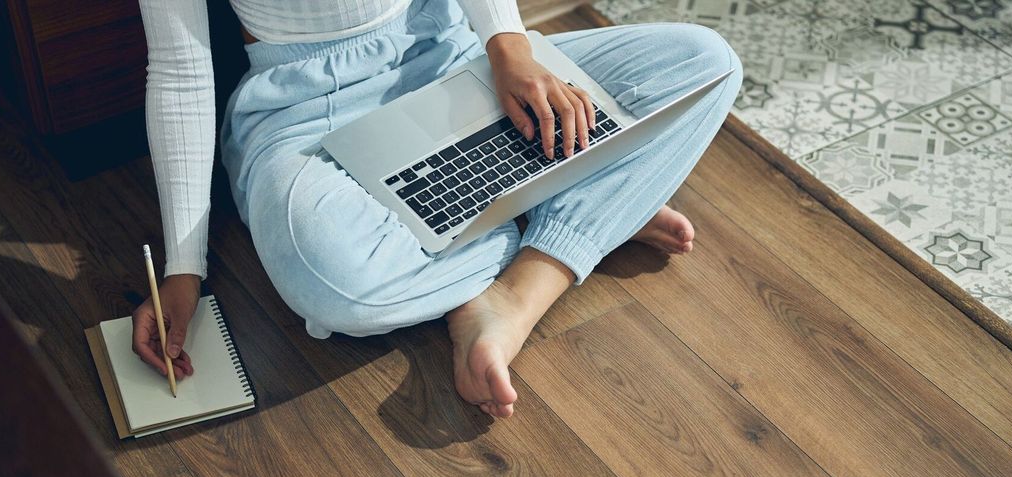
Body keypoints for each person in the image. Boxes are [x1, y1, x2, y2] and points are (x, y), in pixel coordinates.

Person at [132, 0, 741, 418]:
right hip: (302, 114)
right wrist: (183, 270)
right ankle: (577, 208)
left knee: (703, 62)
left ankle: (518, 286)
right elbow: (182, 72)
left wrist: (510, 48)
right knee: (332, 284)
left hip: (451, 60)